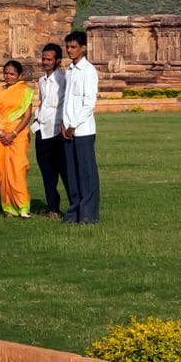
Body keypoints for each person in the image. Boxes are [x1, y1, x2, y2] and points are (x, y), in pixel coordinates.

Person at [0, 59, 35, 218]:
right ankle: (8, 208)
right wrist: (0, 132)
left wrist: (13, 133)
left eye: (12, 74)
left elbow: (27, 115)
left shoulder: (25, 91)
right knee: (2, 170)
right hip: (1, 135)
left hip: (18, 135)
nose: (8, 76)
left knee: (17, 170)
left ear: (19, 75)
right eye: (6, 73)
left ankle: (22, 207)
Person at [61, 30, 100, 224]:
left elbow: (89, 102)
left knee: (86, 173)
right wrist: (64, 123)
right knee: (72, 173)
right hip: (68, 129)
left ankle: (88, 215)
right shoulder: (69, 70)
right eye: (68, 47)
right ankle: (74, 212)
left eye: (73, 47)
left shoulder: (88, 70)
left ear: (83, 48)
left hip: (83, 130)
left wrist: (74, 124)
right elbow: (67, 101)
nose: (69, 50)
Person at [31, 43, 69, 219]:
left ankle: (75, 206)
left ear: (57, 61)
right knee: (47, 173)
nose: (45, 62)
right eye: (43, 59)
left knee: (66, 172)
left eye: (49, 59)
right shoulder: (41, 80)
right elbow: (42, 102)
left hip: (59, 132)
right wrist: (37, 120)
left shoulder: (63, 79)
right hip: (43, 131)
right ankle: (53, 208)